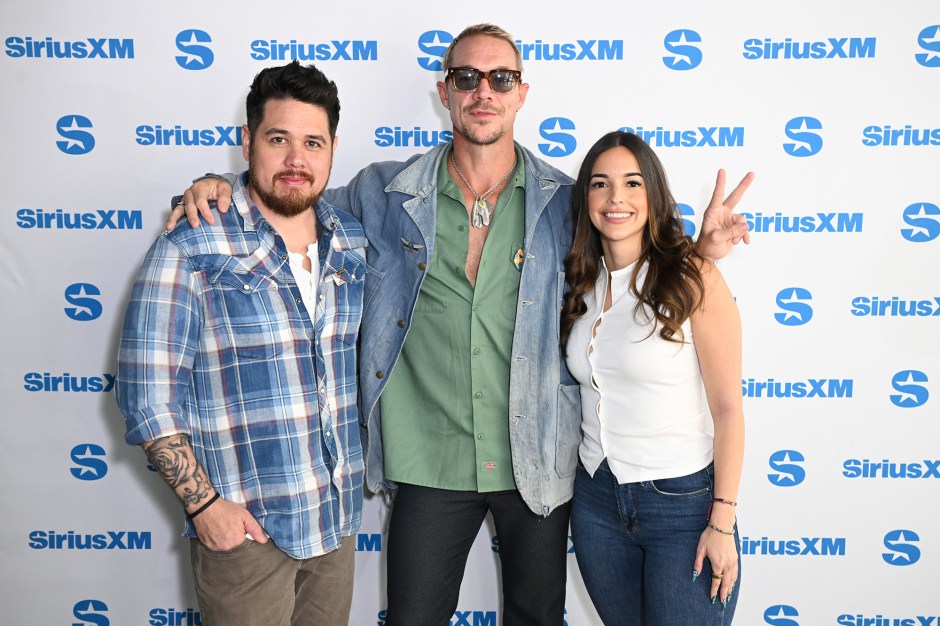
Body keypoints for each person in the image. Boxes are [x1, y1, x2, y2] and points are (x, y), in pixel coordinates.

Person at [167, 24, 751, 625]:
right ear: (445, 91)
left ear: (522, 93)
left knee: (538, 617)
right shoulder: (384, 192)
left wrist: (699, 254)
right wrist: (225, 189)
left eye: (501, 78)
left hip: (536, 460)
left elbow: (635, 254)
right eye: (467, 77)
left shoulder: (565, 202)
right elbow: (293, 195)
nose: (483, 91)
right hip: (430, 459)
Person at [115, 61, 367, 625]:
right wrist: (205, 507)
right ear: (248, 140)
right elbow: (146, 393)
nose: (296, 159)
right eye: (278, 139)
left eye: (313, 143)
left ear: (331, 150)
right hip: (248, 537)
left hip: (335, 526)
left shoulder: (350, 242)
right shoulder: (194, 243)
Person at [561, 131, 749, 625]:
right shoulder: (580, 282)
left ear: (654, 196)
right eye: (600, 184)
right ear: (586, 199)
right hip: (597, 502)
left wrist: (722, 522)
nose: (616, 197)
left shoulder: (693, 276)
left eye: (632, 183)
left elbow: (728, 408)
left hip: (683, 508)